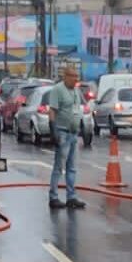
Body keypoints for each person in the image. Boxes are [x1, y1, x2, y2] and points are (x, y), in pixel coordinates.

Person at [48, 66, 87, 209]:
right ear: (65, 76)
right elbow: (52, 110)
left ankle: (71, 197)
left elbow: (77, 109)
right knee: (59, 166)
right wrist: (53, 130)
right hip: (62, 132)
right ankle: (53, 197)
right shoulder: (58, 90)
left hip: (73, 133)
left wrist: (80, 125)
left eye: (77, 76)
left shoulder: (76, 91)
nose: (76, 79)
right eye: (73, 76)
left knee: (72, 167)